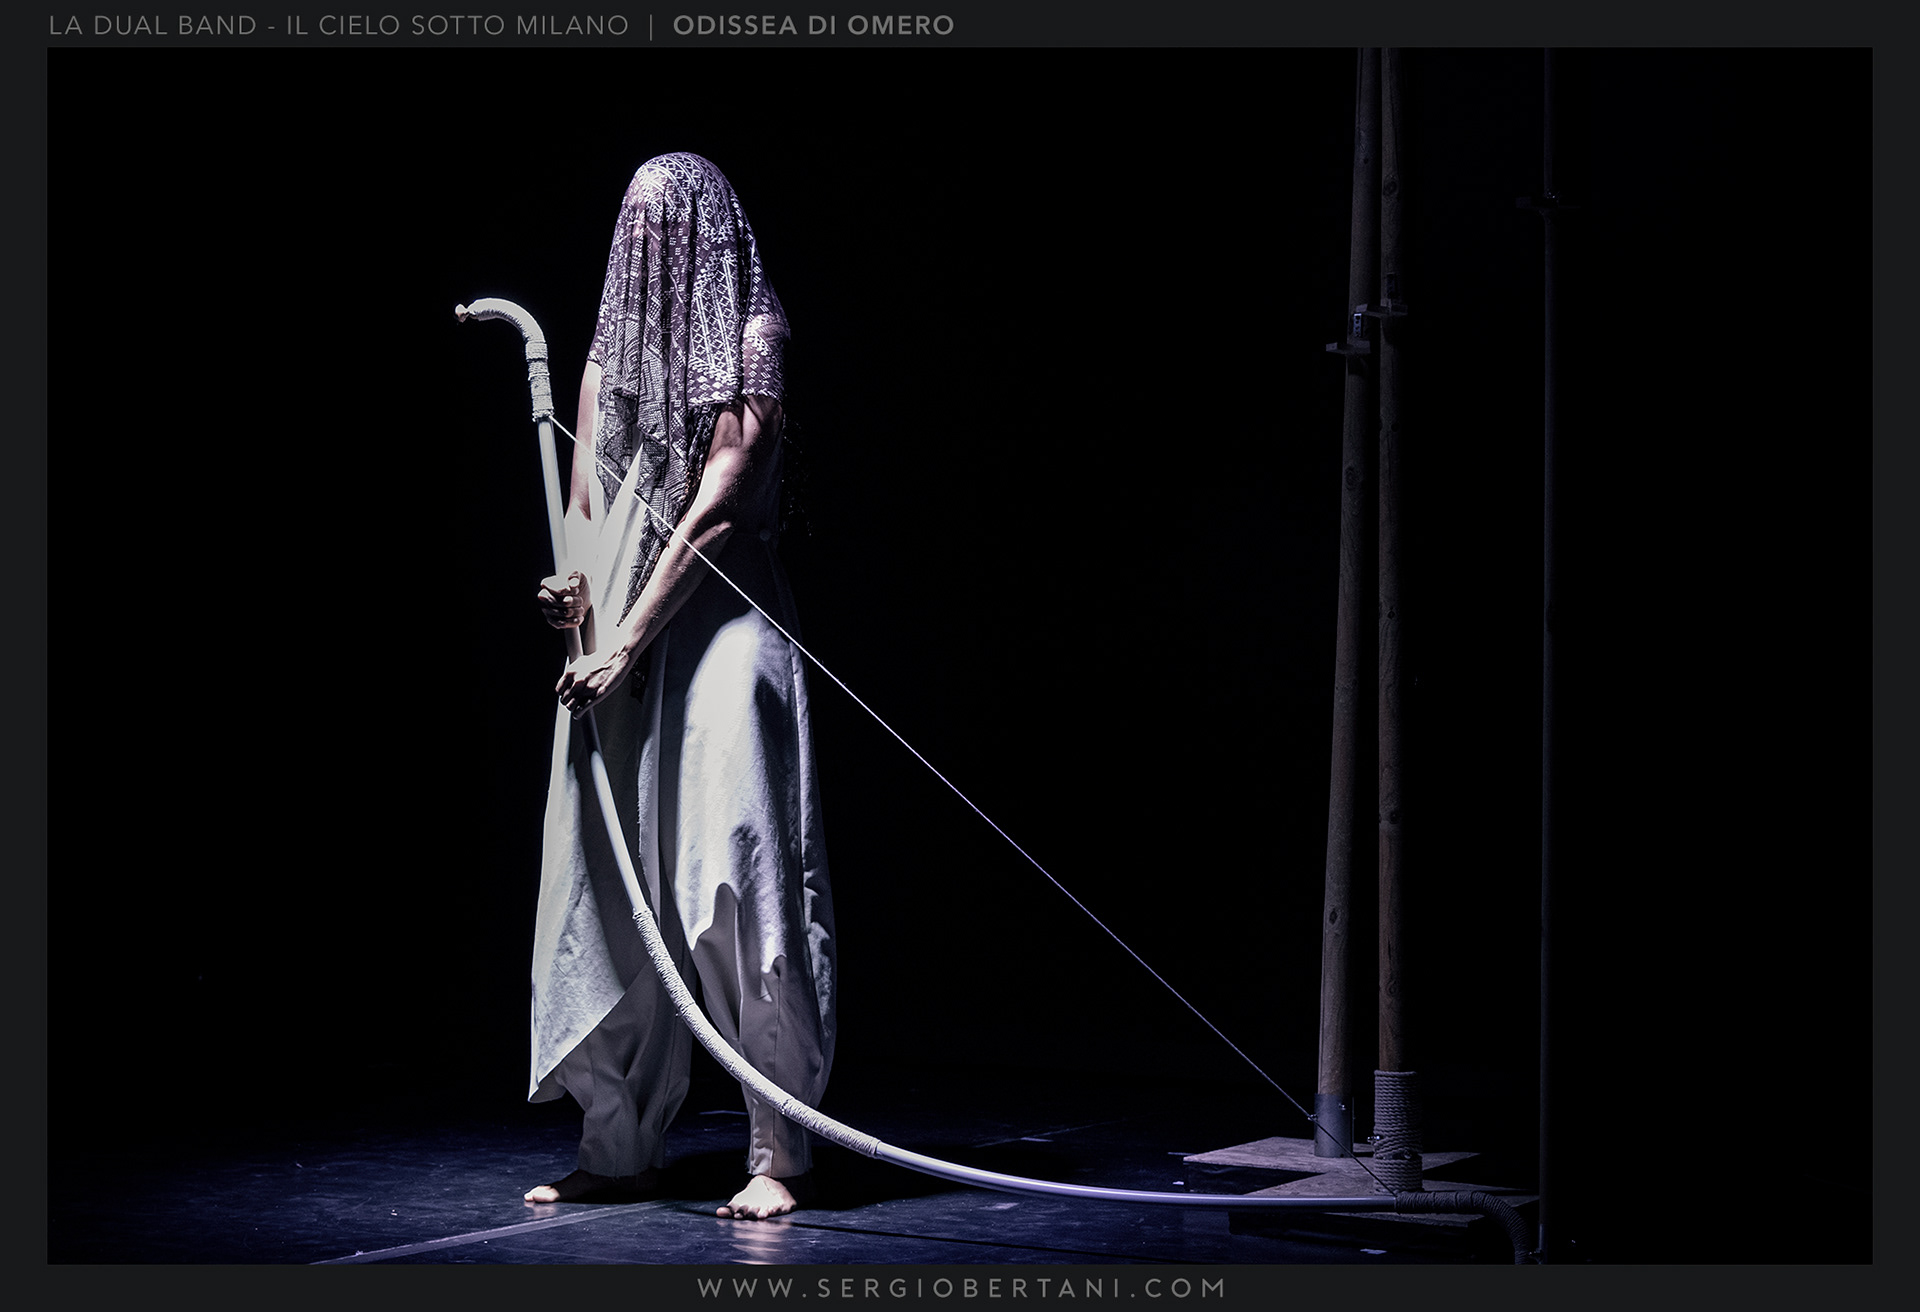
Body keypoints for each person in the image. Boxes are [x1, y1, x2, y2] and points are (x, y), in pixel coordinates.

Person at [523, 153, 835, 1221]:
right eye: (636, 225)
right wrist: (572, 587)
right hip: (620, 627)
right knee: (609, 886)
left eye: (672, 224)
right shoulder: (606, 360)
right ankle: (616, 1144)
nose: (653, 246)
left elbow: (718, 505)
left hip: (721, 619)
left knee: (732, 876)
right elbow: (586, 503)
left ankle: (780, 1148)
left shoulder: (756, 335)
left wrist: (625, 639)